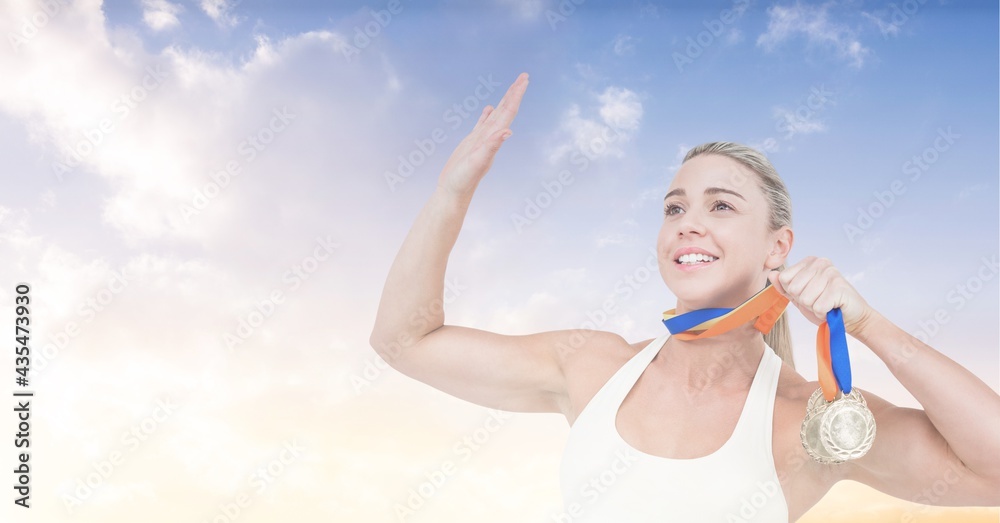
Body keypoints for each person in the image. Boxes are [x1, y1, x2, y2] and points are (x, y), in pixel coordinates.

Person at [368, 72, 1000, 521]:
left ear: (777, 247)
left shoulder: (811, 422)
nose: (687, 223)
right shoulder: (591, 365)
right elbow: (403, 341)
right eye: (675, 207)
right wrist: (452, 191)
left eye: (720, 206)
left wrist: (868, 325)